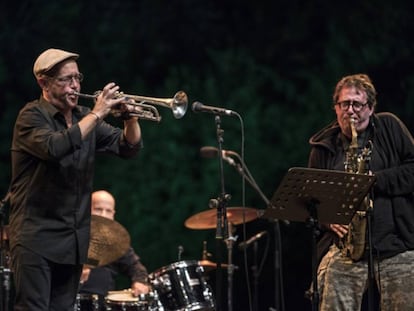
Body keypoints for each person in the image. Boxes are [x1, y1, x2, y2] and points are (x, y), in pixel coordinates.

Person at [8, 48, 143, 310]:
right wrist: (98, 113)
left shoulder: (83, 116)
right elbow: (55, 147)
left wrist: (131, 118)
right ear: (44, 83)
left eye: (77, 78)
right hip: (36, 237)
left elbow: (128, 147)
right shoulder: (31, 116)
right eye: (66, 79)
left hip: (72, 241)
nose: (75, 85)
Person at [308, 73, 414, 310]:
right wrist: (325, 218)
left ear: (371, 108)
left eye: (357, 104)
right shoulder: (323, 148)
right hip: (346, 250)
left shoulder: (390, 126)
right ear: (336, 108)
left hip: (396, 246)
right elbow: (310, 198)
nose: (351, 110)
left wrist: (373, 180)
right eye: (344, 104)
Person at [79, 190, 150, 310]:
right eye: (98, 209)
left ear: (113, 215)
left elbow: (135, 267)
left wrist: (140, 282)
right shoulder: (72, 237)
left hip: (104, 305)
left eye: (108, 211)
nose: (103, 215)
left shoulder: (115, 242)